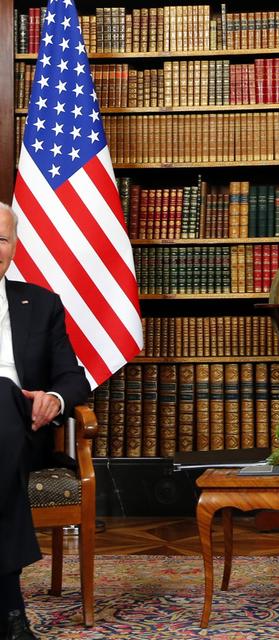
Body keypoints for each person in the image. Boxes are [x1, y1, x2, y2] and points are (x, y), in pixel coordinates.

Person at [0, 203, 90, 640]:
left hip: (23, 431)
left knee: (2, 394)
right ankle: (11, 612)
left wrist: (54, 399)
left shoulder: (40, 304)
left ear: (14, 247)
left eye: (1, 238)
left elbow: (72, 376)